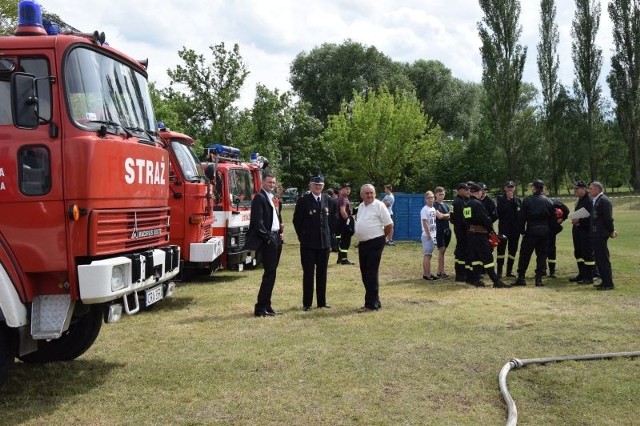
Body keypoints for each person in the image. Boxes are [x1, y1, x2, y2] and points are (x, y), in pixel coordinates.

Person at [244, 170, 284, 316]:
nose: (272, 184)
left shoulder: (272, 197)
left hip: (276, 237)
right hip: (269, 239)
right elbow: (257, 222)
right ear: (262, 182)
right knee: (269, 274)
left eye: (273, 182)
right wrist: (268, 237)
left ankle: (267, 305)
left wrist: (280, 230)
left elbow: (276, 217)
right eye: (269, 182)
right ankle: (260, 308)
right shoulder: (259, 198)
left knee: (272, 273)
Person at [293, 176, 332, 311]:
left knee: (322, 273)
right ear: (310, 186)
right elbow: (297, 221)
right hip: (308, 244)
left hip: (324, 244)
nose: (318, 187)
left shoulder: (327, 199)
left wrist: (329, 238)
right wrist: (302, 237)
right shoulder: (303, 201)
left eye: (320, 185)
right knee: (308, 274)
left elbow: (331, 220)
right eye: (316, 185)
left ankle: (322, 302)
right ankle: (307, 303)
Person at [354, 184, 394, 312]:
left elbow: (389, 225)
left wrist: (383, 238)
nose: (370, 195)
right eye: (367, 193)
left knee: (371, 272)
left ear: (375, 194)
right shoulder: (360, 207)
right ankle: (375, 300)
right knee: (365, 272)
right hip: (363, 243)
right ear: (362, 195)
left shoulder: (379, 205)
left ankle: (371, 304)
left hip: (375, 242)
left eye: (372, 192)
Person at [464, 184, 510, 288]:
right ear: (477, 192)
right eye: (481, 192)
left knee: (476, 257)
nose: (482, 193)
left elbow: (467, 220)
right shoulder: (478, 204)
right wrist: (491, 231)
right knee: (488, 257)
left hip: (471, 234)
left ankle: (476, 280)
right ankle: (496, 281)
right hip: (480, 234)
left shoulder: (467, 204)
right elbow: (486, 219)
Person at [513, 179, 555, 287]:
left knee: (525, 255)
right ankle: (539, 279)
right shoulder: (549, 201)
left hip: (531, 231)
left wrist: (522, 231)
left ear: (534, 188)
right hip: (544, 232)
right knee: (541, 256)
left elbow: (521, 218)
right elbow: (552, 220)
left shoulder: (527, 200)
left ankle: (521, 277)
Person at [588, 181, 618, 290]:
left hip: (600, 234)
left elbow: (608, 219)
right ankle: (604, 281)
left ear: (597, 189)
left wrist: (611, 231)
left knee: (603, 259)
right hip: (596, 234)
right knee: (599, 259)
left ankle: (608, 283)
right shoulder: (597, 200)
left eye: (591, 189)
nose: (589, 191)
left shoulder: (604, 201)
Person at [569, 180, 596, 284]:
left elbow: (592, 218)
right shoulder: (579, 200)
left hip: (586, 232)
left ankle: (589, 277)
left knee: (587, 254)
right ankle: (582, 274)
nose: (575, 190)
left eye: (577, 188)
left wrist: (579, 221)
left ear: (584, 189)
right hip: (577, 231)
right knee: (578, 253)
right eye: (574, 188)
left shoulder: (589, 201)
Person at [496, 180, 521, 278]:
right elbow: (500, 212)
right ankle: (499, 271)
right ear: (505, 188)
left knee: (513, 250)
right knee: (501, 250)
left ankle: (509, 271)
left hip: (515, 229)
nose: (510, 189)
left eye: (512, 187)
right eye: (508, 187)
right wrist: (508, 200)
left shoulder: (518, 200)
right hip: (504, 228)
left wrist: (512, 200)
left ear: (514, 188)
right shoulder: (500, 199)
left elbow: (519, 213)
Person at [544, 185, 569, 278]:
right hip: (541, 230)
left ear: (546, 191)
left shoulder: (553, 202)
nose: (542, 191)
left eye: (544, 189)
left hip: (551, 230)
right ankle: (542, 270)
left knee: (551, 249)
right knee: (541, 250)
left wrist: (562, 218)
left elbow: (566, 210)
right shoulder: (536, 201)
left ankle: (552, 271)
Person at [450, 182, 471, 282]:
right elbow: (458, 218)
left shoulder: (463, 200)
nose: (468, 191)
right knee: (462, 252)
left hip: (461, 229)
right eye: (466, 189)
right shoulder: (458, 202)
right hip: (462, 230)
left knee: (461, 251)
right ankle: (461, 274)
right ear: (460, 190)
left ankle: (462, 273)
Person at [433, 186, 452, 278]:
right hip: (439, 230)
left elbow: (450, 216)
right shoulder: (435, 205)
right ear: (436, 195)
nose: (442, 196)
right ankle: (440, 272)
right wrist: (447, 215)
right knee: (441, 250)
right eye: (440, 194)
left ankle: (442, 271)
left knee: (443, 251)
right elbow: (439, 216)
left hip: (447, 229)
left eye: (443, 194)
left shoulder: (445, 205)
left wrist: (446, 215)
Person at [420, 191, 438, 280]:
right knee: (427, 255)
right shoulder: (424, 209)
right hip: (427, 235)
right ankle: (426, 275)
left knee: (429, 254)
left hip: (433, 234)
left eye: (432, 197)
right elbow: (425, 222)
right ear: (425, 199)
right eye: (429, 198)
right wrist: (428, 234)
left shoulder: (433, 209)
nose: (431, 199)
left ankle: (428, 273)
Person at [336, 182, 355, 265]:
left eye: (349, 189)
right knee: (346, 241)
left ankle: (340, 258)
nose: (348, 190)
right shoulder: (343, 198)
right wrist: (347, 220)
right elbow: (342, 211)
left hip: (341, 223)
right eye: (346, 188)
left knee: (343, 241)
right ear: (341, 189)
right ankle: (344, 259)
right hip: (344, 222)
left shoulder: (343, 198)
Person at [326, 188, 339, 252]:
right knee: (332, 233)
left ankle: (334, 246)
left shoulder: (329, 200)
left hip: (331, 219)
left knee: (331, 233)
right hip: (335, 218)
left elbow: (330, 211)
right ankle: (335, 246)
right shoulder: (334, 200)